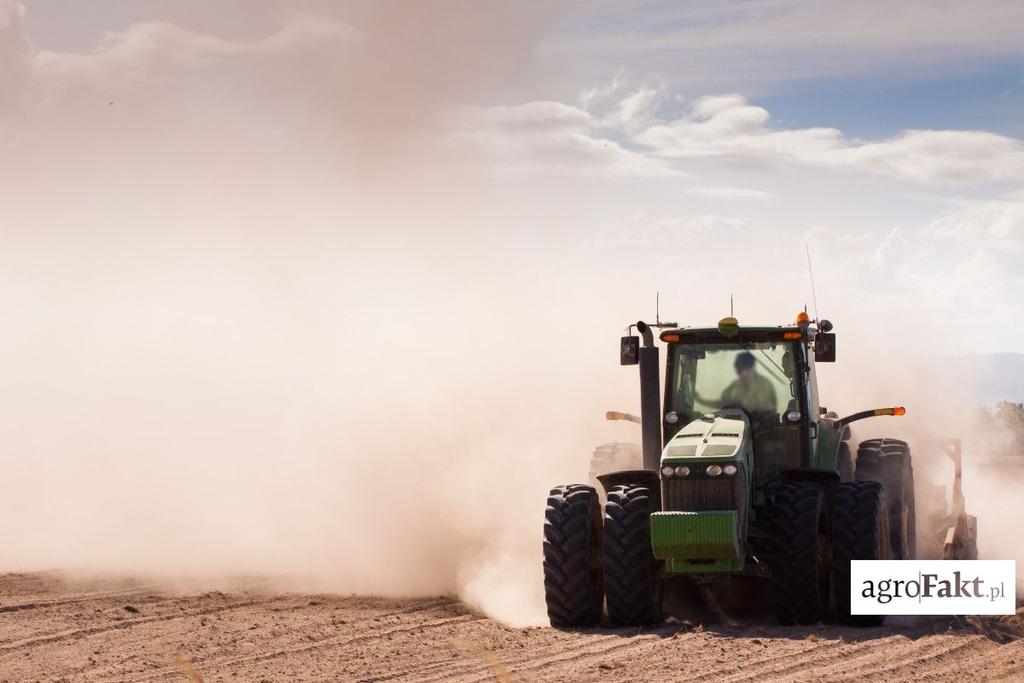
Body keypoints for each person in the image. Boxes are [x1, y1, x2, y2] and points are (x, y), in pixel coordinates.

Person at [699, 351, 777, 415]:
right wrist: (701, 401)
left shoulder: (765, 385)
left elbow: (770, 409)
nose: (740, 373)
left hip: (761, 429)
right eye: (738, 370)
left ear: (752, 368)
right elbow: (722, 403)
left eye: (742, 369)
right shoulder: (735, 386)